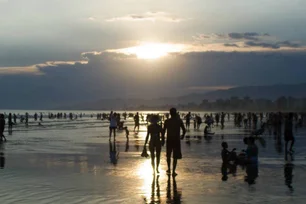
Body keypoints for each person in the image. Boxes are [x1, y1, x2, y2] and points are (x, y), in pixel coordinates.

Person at [163, 108, 186, 176]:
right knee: (175, 156)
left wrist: (163, 139)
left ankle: (169, 168)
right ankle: (173, 171)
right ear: (175, 113)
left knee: (168, 155)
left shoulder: (167, 121)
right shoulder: (179, 121)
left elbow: (163, 131)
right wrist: (182, 136)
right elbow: (184, 130)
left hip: (169, 140)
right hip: (176, 140)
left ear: (170, 113)